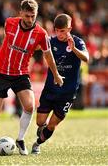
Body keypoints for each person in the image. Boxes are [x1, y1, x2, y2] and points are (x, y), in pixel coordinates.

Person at [0, 0, 64, 156]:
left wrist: (56, 74)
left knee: (29, 106)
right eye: (27, 15)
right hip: (0, 72)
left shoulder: (41, 34)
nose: (30, 19)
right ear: (20, 13)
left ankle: (20, 139)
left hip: (20, 73)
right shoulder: (9, 23)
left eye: (33, 16)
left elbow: (48, 56)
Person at [31, 13, 89, 154]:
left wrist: (74, 49)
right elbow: (34, 46)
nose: (60, 34)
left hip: (67, 93)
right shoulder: (51, 41)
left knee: (51, 125)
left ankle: (37, 144)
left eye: (63, 31)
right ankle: (42, 130)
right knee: (40, 122)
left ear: (69, 29)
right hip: (50, 89)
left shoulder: (78, 42)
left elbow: (86, 58)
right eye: (57, 30)